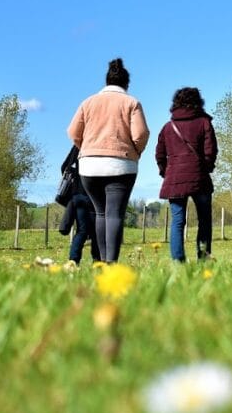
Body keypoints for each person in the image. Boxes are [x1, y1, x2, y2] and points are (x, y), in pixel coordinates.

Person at [67, 58, 149, 263]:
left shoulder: (88, 102)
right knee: (114, 214)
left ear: (106, 81)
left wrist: (87, 148)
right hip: (121, 164)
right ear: (126, 84)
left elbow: (73, 132)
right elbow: (141, 134)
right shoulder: (131, 102)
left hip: (90, 166)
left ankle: (101, 261)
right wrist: (135, 152)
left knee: (101, 213)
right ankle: (112, 262)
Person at [155, 87, 218, 262]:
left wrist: (165, 171)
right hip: (200, 178)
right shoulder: (204, 123)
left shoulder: (168, 127)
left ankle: (178, 262)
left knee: (177, 222)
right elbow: (211, 150)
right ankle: (203, 259)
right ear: (198, 103)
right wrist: (205, 167)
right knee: (204, 220)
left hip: (174, 179)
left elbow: (159, 153)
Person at [58, 145, 101, 264]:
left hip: (77, 194)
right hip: (93, 195)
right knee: (96, 232)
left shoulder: (78, 145)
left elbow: (64, 167)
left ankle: (73, 261)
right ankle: (97, 261)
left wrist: (76, 176)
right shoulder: (98, 143)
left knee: (82, 231)